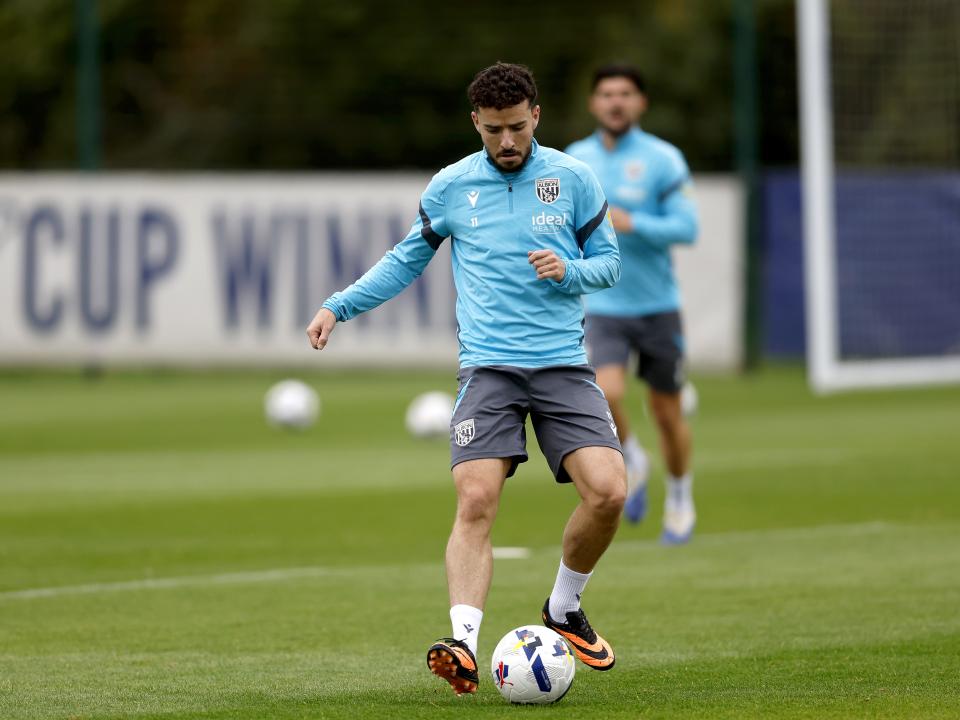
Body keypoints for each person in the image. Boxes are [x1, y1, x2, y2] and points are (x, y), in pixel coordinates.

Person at [307, 62, 625, 696]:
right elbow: (404, 261)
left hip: (562, 364)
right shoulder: (452, 187)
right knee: (476, 499)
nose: (506, 143)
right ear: (474, 123)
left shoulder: (573, 179)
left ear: (536, 115)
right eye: (492, 131)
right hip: (488, 369)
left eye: (515, 128)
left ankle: (563, 606)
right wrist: (337, 305)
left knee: (610, 494)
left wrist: (570, 270)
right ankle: (464, 645)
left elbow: (610, 264)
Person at [565, 64, 699, 544]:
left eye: (624, 94)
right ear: (593, 103)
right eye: (606, 94)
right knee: (607, 393)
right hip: (603, 305)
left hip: (658, 305)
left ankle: (680, 496)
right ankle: (634, 458)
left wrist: (633, 223)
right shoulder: (575, 160)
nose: (615, 102)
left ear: (640, 103)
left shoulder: (663, 159)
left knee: (667, 412)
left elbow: (687, 228)